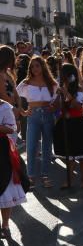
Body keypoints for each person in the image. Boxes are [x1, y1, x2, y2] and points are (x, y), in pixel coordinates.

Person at [16, 56, 58, 188]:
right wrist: (22, 111)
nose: (34, 68)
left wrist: (54, 106)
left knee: (47, 147)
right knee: (31, 146)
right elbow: (15, 96)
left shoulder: (51, 82)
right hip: (33, 115)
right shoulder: (26, 82)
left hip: (48, 115)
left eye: (37, 65)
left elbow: (57, 98)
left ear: (43, 66)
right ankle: (31, 176)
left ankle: (45, 175)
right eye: (32, 66)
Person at [53, 63, 83, 189]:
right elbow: (56, 107)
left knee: (82, 155)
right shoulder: (60, 89)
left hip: (78, 124)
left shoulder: (79, 90)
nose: (62, 79)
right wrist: (58, 96)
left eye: (64, 76)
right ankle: (69, 180)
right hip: (65, 124)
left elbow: (78, 106)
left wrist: (67, 94)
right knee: (69, 156)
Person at [0, 97, 28, 238]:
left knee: (4, 187)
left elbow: (12, 128)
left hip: (2, 152)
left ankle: (5, 225)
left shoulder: (5, 107)